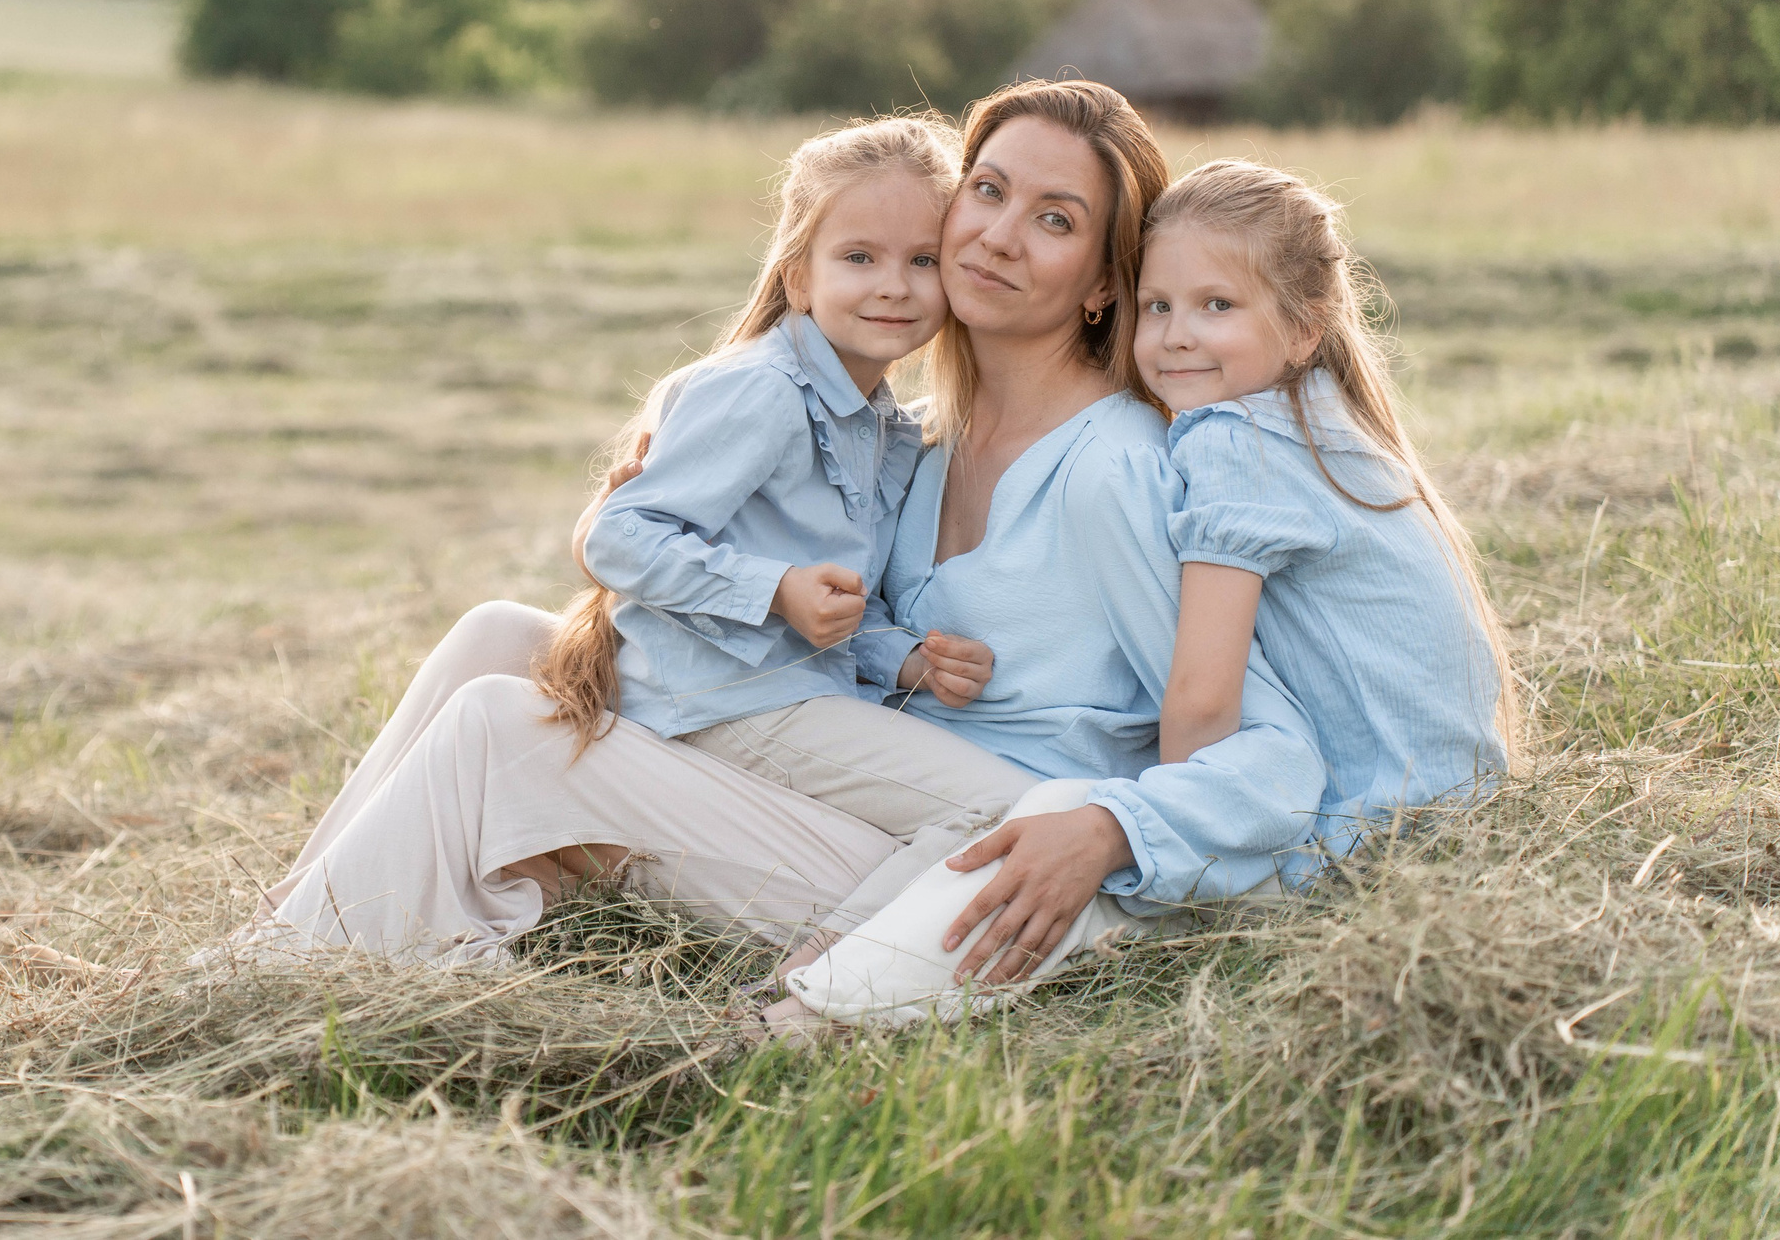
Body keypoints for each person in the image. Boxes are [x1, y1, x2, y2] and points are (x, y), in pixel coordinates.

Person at [235, 81, 1331, 984]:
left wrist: (1110, 835)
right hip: (825, 758)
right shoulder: (914, 441)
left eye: (1054, 219)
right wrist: (657, 497)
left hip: (955, 858)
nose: (997, 235)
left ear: (1102, 282)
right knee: (495, 637)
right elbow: (798, 581)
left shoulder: (1111, 466)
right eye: (988, 191)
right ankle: (283, 929)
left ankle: (299, 970)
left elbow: (1239, 727)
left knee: (501, 728)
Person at [778, 157, 1515, 1027]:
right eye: (1159, 306)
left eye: (1217, 306)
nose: (1176, 337)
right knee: (1066, 820)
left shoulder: (1235, 439)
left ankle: (817, 1013)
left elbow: (1200, 700)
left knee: (1061, 824)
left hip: (1356, 843)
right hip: (1442, 822)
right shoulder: (1316, 424)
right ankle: (829, 988)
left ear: (1305, 328)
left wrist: (1159, 824)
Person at [552, 114, 1010, 848]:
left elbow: (839, 599)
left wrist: (907, 660)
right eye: (858, 257)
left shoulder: (882, 424)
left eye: (923, 260)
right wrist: (776, 590)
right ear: (799, 277)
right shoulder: (765, 389)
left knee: (999, 805)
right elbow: (619, 537)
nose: (894, 286)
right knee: (1008, 810)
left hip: (789, 692)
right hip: (722, 700)